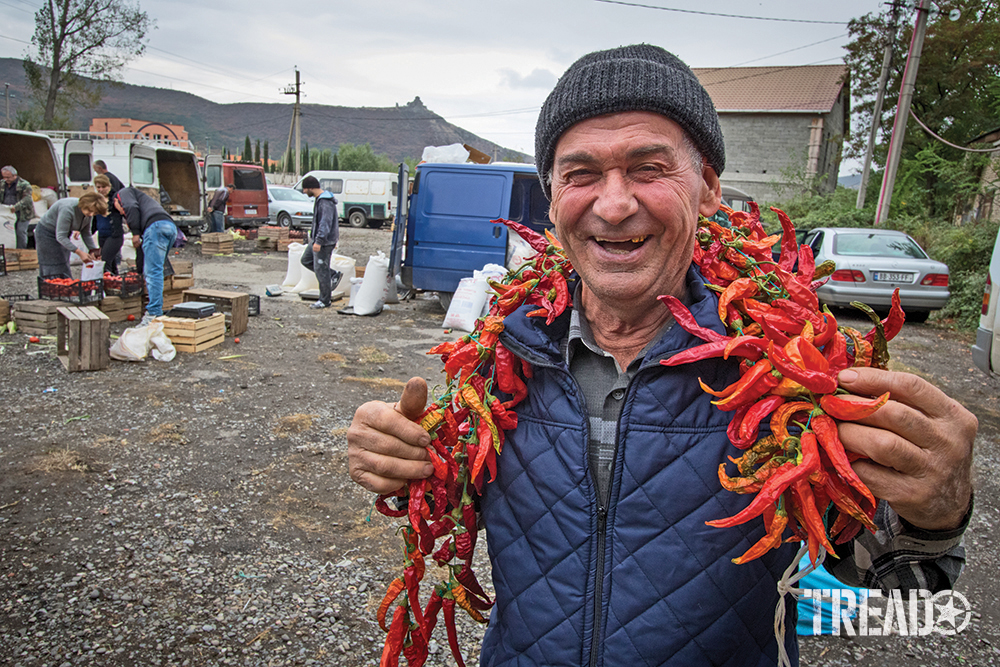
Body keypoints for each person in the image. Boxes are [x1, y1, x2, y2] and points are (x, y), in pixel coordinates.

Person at [347, 45, 977, 666]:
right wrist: (400, 458)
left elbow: (902, 603)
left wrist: (937, 518)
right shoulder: (503, 355)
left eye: (648, 168)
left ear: (707, 189)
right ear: (552, 199)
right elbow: (444, 494)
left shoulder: (792, 376)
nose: (614, 204)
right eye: (581, 173)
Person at [113, 187, 177, 325]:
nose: (121, 212)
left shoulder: (123, 193)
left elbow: (129, 206)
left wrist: (135, 232)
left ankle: (153, 314)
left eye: (118, 208)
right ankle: (157, 309)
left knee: (153, 272)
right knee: (156, 270)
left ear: (116, 201)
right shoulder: (144, 201)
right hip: (169, 227)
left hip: (155, 227)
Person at [34, 191, 104, 278]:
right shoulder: (67, 209)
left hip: (63, 234)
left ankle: (65, 287)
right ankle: (53, 287)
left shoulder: (88, 213)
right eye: (90, 211)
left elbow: (86, 233)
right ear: (84, 204)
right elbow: (60, 236)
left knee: (63, 261)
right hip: (47, 234)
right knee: (52, 264)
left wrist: (93, 250)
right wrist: (80, 253)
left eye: (95, 213)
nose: (91, 214)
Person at [299, 175, 340, 309]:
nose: (304, 192)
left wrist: (319, 241)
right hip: (316, 240)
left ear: (311, 187)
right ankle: (332, 274)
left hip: (324, 242)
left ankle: (324, 300)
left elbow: (325, 223)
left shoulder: (325, 202)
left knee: (321, 270)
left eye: (305, 189)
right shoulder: (320, 200)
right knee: (306, 260)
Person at [92, 175, 125, 275]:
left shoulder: (116, 198)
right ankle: (115, 284)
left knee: (105, 261)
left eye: (104, 187)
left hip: (114, 235)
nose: (101, 190)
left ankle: (106, 283)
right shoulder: (96, 199)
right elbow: (93, 219)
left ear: (109, 186)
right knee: (112, 263)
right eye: (98, 187)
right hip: (102, 234)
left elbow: (124, 213)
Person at [2, 165, 34, 249]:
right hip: (7, 212)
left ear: (14, 175)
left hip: (23, 213)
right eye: (4, 177)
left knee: (20, 232)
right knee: (7, 231)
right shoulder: (2, 184)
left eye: (8, 177)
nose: (6, 179)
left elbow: (27, 199)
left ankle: (21, 250)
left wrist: (16, 207)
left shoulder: (24, 184)